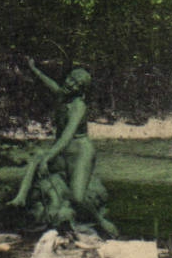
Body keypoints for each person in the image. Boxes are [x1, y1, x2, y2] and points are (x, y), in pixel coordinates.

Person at [7, 59, 118, 237]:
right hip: (62, 150)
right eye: (70, 79)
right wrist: (34, 70)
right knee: (37, 159)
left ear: (82, 91)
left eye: (76, 84)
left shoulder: (78, 106)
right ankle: (20, 197)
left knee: (77, 197)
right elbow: (50, 85)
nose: (70, 85)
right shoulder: (62, 96)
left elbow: (67, 136)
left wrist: (50, 156)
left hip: (80, 152)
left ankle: (100, 220)